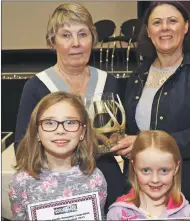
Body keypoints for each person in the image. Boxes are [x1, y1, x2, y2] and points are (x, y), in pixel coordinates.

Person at [111, 1, 190, 221]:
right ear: (148, 31)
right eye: (157, 22)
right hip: (142, 191)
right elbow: (132, 129)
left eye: (172, 21)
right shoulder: (138, 75)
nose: (165, 28)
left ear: (186, 27)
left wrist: (145, 142)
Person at [14, 3, 125, 213]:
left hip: (108, 185)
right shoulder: (37, 86)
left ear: (93, 39)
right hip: (57, 194)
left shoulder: (108, 82)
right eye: (66, 35)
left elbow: (118, 134)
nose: (76, 43)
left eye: (83, 34)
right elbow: (22, 146)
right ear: (52, 41)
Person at [8, 91, 107, 220]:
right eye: (49, 123)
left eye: (70, 122)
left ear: (82, 131)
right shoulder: (21, 183)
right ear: (37, 132)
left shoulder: (95, 178)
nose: (60, 130)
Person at [107, 130, 190, 220]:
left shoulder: (187, 213)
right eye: (146, 170)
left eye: (164, 170)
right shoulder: (117, 213)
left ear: (176, 168)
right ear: (134, 167)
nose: (155, 179)